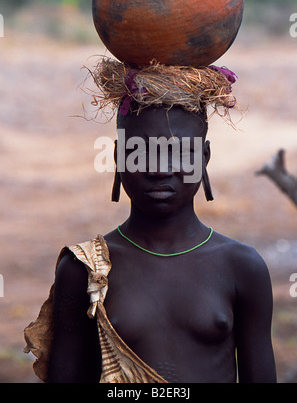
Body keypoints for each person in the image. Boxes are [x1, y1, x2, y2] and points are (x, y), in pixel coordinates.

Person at [24, 61, 276, 383]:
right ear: (119, 158)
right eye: (141, 152)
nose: (159, 169)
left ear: (204, 157)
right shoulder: (85, 270)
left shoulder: (242, 267)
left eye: (179, 151)